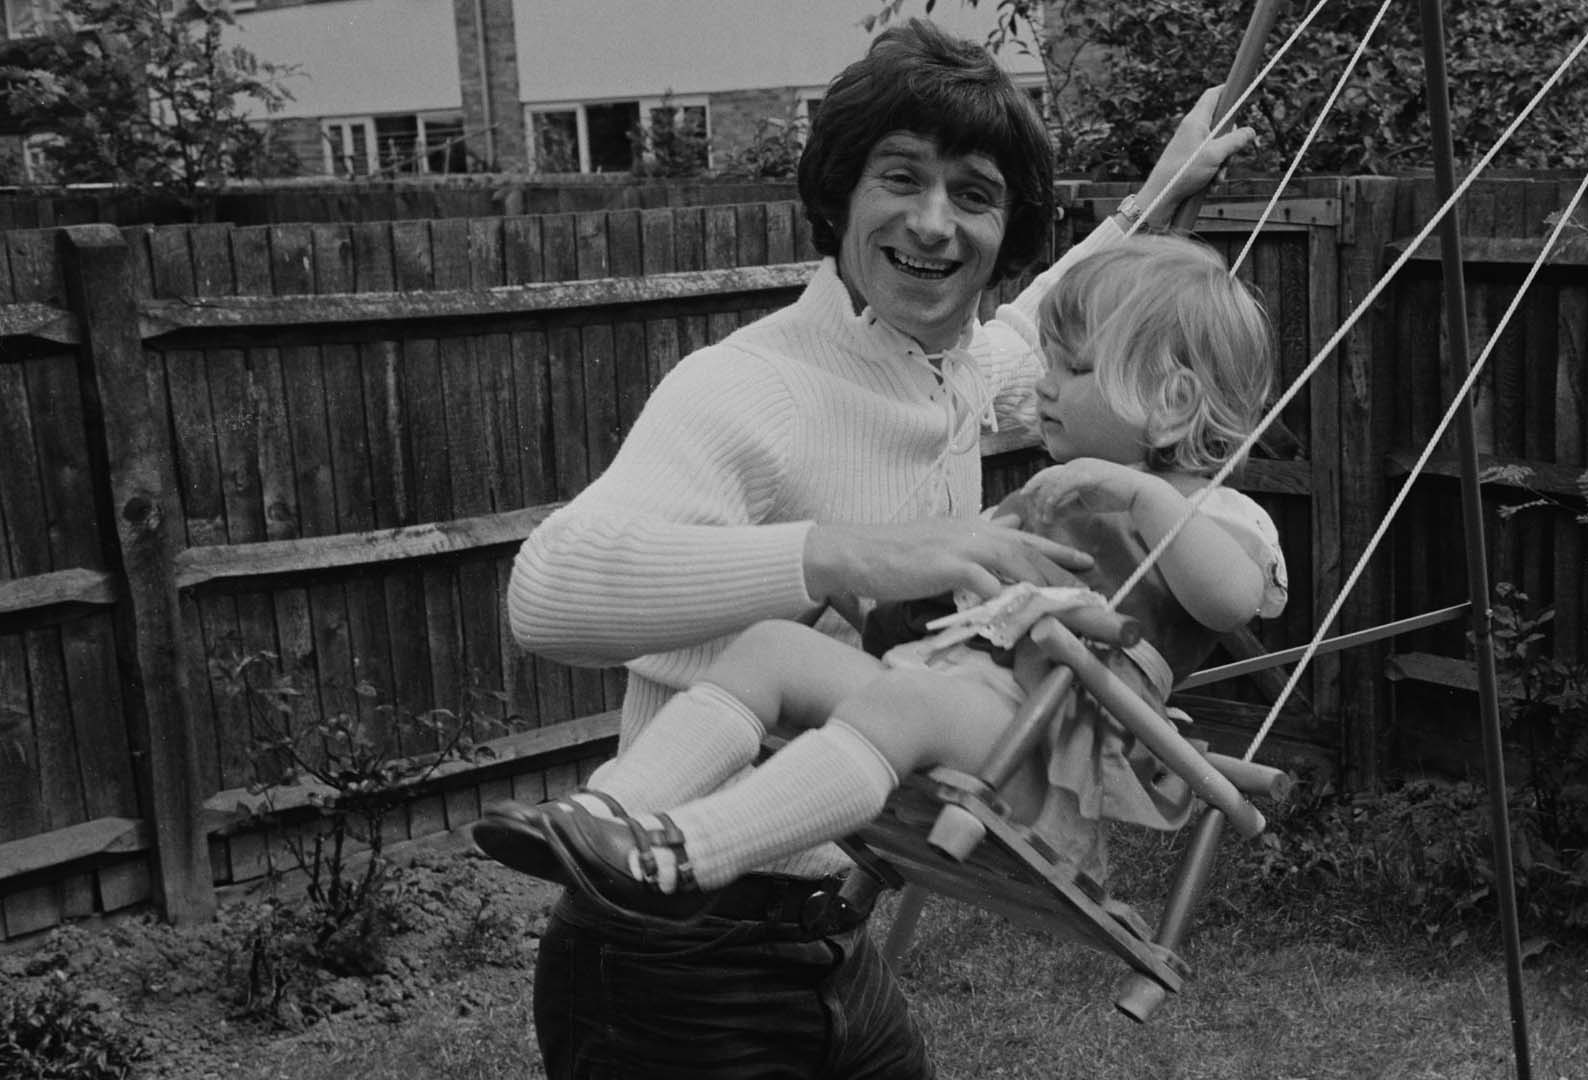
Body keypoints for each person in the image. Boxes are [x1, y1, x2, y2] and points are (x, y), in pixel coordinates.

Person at [492, 17, 1255, 1080]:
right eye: (902, 179)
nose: (936, 224)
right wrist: (850, 555)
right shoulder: (749, 387)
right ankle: (615, 812)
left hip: (825, 936)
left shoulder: (950, 368)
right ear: (840, 197)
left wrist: (1154, 199)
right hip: (670, 962)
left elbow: (1054, 330)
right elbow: (547, 594)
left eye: (976, 196)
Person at [482, 233, 1289, 912]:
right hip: (947, 695)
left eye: (1073, 370)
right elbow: (942, 602)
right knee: (773, 647)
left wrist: (1145, 494)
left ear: (1174, 401)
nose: (1044, 384)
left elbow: (1230, 599)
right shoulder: (1054, 492)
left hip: (1045, 752)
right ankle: (614, 809)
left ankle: (690, 851)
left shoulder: (1220, 518)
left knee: (906, 698)